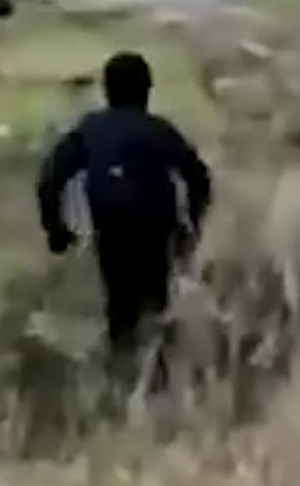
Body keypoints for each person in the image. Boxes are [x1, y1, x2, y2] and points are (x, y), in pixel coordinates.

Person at [36, 50, 212, 381]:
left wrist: (56, 230)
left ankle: (122, 376)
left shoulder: (90, 129)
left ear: (106, 91)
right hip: (155, 224)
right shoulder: (158, 130)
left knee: (120, 304)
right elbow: (198, 176)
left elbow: (51, 177)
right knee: (156, 300)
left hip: (112, 223)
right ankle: (158, 377)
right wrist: (193, 226)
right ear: (148, 90)